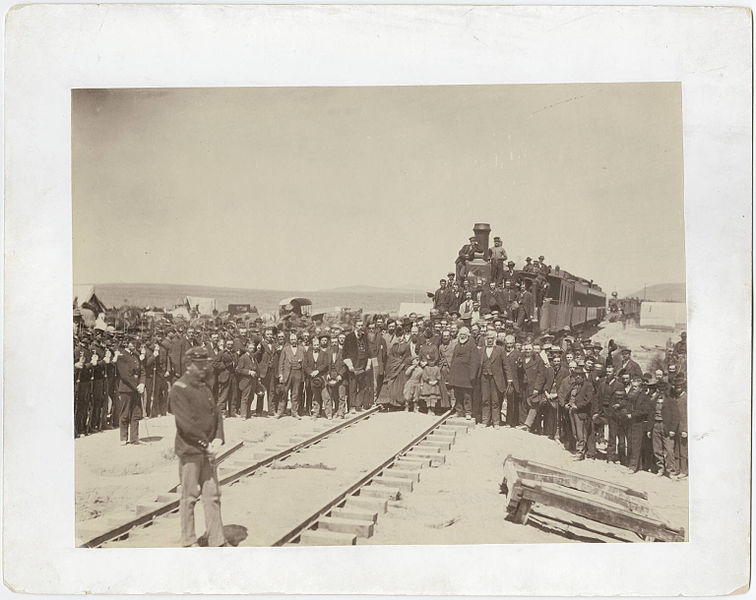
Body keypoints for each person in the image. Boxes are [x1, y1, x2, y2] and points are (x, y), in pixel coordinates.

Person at [169, 346, 226, 547]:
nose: (203, 368)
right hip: (191, 451)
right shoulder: (179, 388)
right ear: (188, 365)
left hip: (208, 450)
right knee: (189, 497)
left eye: (205, 364)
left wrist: (218, 438)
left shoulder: (203, 386)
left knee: (212, 496)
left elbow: (216, 413)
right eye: (199, 365)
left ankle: (217, 539)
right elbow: (186, 425)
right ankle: (188, 540)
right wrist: (206, 445)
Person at [115, 338, 145, 445]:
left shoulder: (136, 356)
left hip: (137, 388)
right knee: (125, 413)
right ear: (126, 344)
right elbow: (125, 375)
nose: (134, 345)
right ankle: (123, 438)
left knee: (136, 413)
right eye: (132, 343)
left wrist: (142, 383)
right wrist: (137, 385)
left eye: (136, 343)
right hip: (126, 389)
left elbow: (142, 371)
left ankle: (134, 438)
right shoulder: (121, 356)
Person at [478, 330, 509, 428]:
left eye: (491, 338)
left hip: (496, 378)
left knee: (495, 400)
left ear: (494, 339)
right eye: (488, 338)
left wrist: (509, 378)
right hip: (484, 378)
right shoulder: (481, 350)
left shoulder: (500, 350)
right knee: (485, 399)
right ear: (485, 339)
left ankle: (496, 422)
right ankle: (485, 420)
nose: (490, 340)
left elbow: (506, 365)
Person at [449, 327, 480, 420]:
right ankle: (459, 411)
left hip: (466, 375)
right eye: (461, 334)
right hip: (457, 374)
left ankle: (468, 412)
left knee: (467, 395)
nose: (462, 336)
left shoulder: (472, 345)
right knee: (457, 394)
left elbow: (475, 362)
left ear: (467, 335)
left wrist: (472, 375)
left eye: (464, 334)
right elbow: (453, 359)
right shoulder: (457, 346)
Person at [343, 320, 372, 412]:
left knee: (362, 387)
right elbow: (345, 353)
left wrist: (368, 364)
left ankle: (358, 405)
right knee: (352, 387)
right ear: (355, 326)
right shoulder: (349, 337)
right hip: (353, 366)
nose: (360, 327)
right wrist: (349, 365)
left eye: (361, 325)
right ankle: (352, 407)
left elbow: (368, 352)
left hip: (362, 366)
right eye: (358, 325)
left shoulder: (364, 337)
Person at [278, 332, 304, 419]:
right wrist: (281, 374)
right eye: (292, 339)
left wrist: (301, 362)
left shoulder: (301, 349)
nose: (293, 341)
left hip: (297, 373)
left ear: (297, 340)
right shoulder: (285, 349)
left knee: (295, 393)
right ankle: (280, 412)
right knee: (284, 393)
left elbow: (305, 361)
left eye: (295, 339)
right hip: (287, 374)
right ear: (289, 340)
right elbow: (281, 363)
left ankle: (294, 412)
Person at [304, 335, 330, 419]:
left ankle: (328, 413)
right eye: (315, 345)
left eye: (317, 345)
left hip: (322, 377)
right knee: (316, 396)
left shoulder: (324, 354)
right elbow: (305, 365)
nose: (316, 346)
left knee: (325, 396)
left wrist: (318, 371)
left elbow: (325, 364)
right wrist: (310, 372)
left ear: (319, 345)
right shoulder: (308, 354)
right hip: (312, 378)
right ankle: (316, 412)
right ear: (312, 345)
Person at [235, 342, 259, 419]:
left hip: (253, 381)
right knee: (245, 397)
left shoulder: (253, 357)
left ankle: (248, 413)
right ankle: (243, 415)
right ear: (247, 349)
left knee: (251, 397)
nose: (252, 350)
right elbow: (238, 369)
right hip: (246, 381)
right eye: (250, 348)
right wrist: (249, 372)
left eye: (253, 348)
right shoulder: (243, 357)